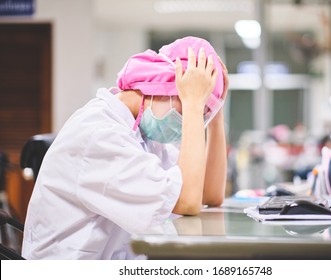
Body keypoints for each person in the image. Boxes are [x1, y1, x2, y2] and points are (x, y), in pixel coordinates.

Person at [22, 36, 228, 259]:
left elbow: (208, 195)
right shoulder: (101, 135)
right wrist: (194, 103)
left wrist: (215, 113)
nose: (193, 118)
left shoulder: (143, 134)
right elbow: (186, 201)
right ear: (162, 86)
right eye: (188, 104)